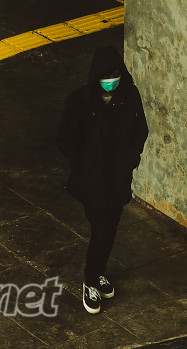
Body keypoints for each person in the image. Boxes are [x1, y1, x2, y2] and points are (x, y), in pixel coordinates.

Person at [58, 45, 148, 314]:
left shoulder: (128, 96)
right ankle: (90, 280)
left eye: (115, 75)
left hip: (117, 178)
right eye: (106, 75)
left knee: (111, 230)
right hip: (92, 180)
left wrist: (131, 158)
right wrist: (80, 165)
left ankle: (98, 274)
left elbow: (140, 129)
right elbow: (66, 137)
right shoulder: (80, 101)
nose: (111, 81)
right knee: (102, 231)